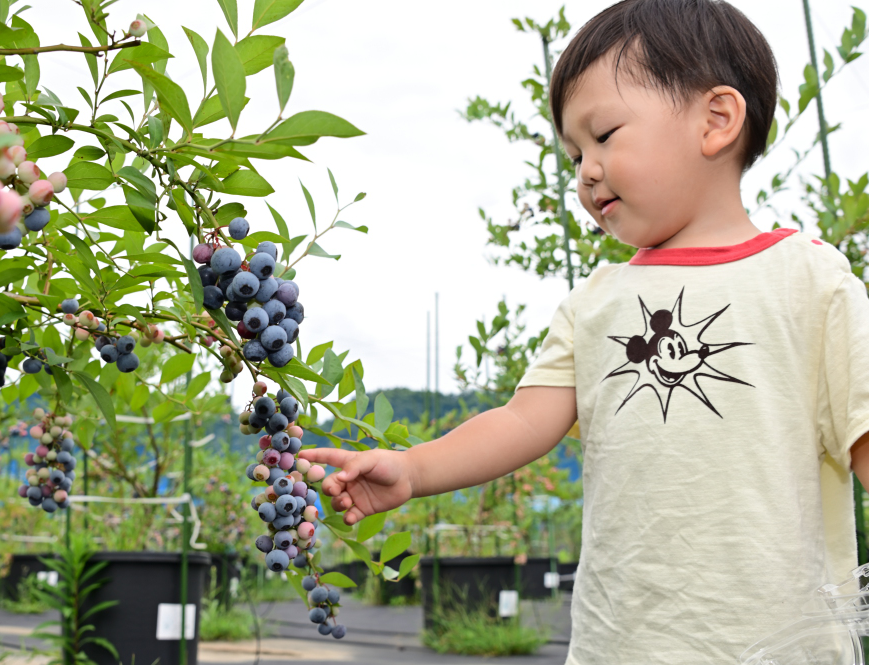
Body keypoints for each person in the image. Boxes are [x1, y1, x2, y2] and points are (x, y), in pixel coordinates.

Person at [299, 0, 869, 662]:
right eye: (574, 155)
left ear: (716, 120)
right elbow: (522, 420)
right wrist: (412, 468)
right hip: (619, 645)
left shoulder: (809, 281)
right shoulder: (597, 302)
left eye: (604, 135)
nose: (586, 172)